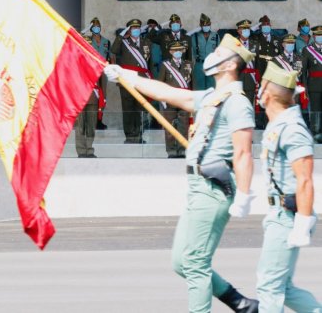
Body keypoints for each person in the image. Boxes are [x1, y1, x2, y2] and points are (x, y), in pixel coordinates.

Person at [105, 34, 258, 312]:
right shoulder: (213, 97)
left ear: (228, 65)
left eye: (219, 53)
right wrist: (126, 76)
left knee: (195, 263)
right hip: (198, 186)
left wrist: (245, 194)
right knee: (181, 261)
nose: (212, 55)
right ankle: (241, 303)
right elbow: (167, 92)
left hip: (213, 187)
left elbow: (244, 152)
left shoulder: (237, 102)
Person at [255, 62, 321, 312]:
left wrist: (303, 223)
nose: (258, 91)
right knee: (284, 288)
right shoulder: (279, 124)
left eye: (261, 86)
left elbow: (304, 178)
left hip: (288, 216)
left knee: (269, 287)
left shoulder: (292, 129)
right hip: (279, 214)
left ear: (268, 94)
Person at [110, 19, 153, 143]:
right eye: (133, 28)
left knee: (140, 107)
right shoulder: (123, 42)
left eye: (138, 28)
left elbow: (149, 62)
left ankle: (139, 134)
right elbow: (113, 51)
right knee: (128, 108)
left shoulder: (146, 42)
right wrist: (121, 36)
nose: (136, 30)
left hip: (142, 79)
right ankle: (129, 135)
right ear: (128, 30)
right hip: (126, 79)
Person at [158, 41, 192, 158]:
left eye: (180, 50)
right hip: (170, 99)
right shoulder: (165, 65)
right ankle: (171, 150)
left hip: (184, 99)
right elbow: (160, 83)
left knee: (184, 126)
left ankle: (182, 149)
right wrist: (163, 100)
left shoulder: (189, 64)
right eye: (175, 50)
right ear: (170, 52)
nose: (178, 52)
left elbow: (194, 84)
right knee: (170, 126)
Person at [75, 35, 105, 158]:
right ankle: (82, 150)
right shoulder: (75, 60)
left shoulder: (96, 60)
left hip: (93, 96)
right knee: (80, 126)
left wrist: (103, 97)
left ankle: (90, 149)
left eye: (88, 44)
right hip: (80, 97)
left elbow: (102, 82)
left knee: (91, 126)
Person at [301, 25, 322, 143]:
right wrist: (305, 87)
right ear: (313, 36)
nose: (320, 37)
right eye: (318, 35)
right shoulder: (307, 50)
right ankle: (316, 132)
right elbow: (303, 71)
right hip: (314, 85)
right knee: (315, 110)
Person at [189, 13, 220, 90]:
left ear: (210, 24)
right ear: (200, 25)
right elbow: (193, 52)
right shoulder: (195, 36)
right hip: (199, 65)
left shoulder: (216, 36)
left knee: (212, 88)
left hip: (212, 65)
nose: (206, 26)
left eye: (208, 25)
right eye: (204, 25)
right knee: (199, 89)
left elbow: (219, 52)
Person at [235, 19, 260, 106]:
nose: (246, 31)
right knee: (237, 105)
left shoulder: (255, 44)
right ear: (238, 30)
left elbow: (257, 64)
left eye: (248, 28)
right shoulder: (234, 44)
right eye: (243, 28)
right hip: (238, 78)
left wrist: (258, 80)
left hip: (251, 79)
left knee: (249, 105)